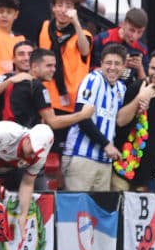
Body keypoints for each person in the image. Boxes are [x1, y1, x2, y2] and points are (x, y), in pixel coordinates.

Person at [61, 44, 146, 191]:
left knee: (98, 212)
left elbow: (120, 121)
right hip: (82, 156)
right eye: (108, 63)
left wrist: (137, 111)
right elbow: (82, 118)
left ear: (124, 66)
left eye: (117, 63)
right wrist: (106, 144)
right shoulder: (92, 80)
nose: (112, 67)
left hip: (105, 161)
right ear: (101, 64)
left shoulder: (121, 88)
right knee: (77, 210)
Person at [112, 48, 155, 192]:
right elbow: (120, 121)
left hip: (147, 172)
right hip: (122, 167)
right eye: (153, 68)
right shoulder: (136, 88)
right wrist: (140, 98)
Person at [91, 7, 149, 85]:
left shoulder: (142, 49)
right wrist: (118, 65)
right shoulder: (102, 40)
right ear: (123, 24)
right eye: (132, 30)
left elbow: (145, 85)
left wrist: (140, 68)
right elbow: (89, 71)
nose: (135, 36)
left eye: (140, 32)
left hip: (127, 92)